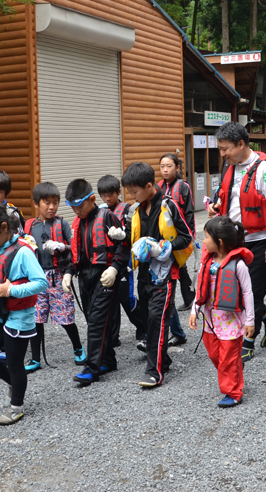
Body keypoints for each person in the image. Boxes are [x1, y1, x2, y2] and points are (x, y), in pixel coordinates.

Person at [207, 122, 266, 362]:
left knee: (251, 293)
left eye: (225, 149)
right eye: (220, 149)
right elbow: (230, 198)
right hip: (235, 241)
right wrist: (216, 208)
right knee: (237, 291)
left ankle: (248, 341)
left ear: (241, 144)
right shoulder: (230, 166)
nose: (222, 154)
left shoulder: (264, 170)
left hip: (261, 240)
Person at [0, 203, 47, 425]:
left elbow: (40, 283)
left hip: (18, 316)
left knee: (15, 363)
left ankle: (17, 406)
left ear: (4, 227)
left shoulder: (23, 252)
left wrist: (11, 290)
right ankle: (14, 383)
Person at [123, 162, 195, 387]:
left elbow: (187, 237)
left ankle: (154, 371)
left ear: (148, 186)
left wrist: (163, 247)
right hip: (143, 274)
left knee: (157, 320)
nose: (132, 196)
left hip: (164, 276)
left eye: (135, 191)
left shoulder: (168, 205)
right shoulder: (136, 209)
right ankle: (163, 358)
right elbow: (131, 237)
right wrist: (121, 236)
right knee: (147, 319)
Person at [64, 179, 128, 385]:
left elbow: (123, 244)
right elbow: (76, 254)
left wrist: (115, 268)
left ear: (92, 199)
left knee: (97, 323)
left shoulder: (107, 216)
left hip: (105, 276)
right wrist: (68, 273)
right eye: (73, 207)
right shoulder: (77, 222)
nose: (77, 211)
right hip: (85, 278)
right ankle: (108, 360)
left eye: (80, 206)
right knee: (94, 319)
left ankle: (91, 368)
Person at [189, 217, 254, 408]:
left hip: (231, 322)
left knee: (227, 358)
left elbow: (247, 292)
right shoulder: (206, 263)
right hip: (210, 321)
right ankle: (234, 371)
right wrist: (194, 310)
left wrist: (250, 320)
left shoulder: (238, 265)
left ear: (220, 243)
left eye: (207, 237)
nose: (204, 241)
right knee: (214, 355)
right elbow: (200, 289)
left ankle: (233, 392)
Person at [23, 182, 86, 372]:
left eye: (55, 203)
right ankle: (35, 358)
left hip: (58, 277)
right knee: (36, 319)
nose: (52, 207)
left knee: (66, 316)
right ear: (36, 204)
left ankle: (78, 348)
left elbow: (75, 248)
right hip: (36, 277)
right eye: (47, 203)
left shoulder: (62, 223)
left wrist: (61, 247)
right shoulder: (29, 226)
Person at [96, 174, 147, 349]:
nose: (107, 198)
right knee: (110, 302)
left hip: (124, 262)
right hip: (107, 263)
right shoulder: (100, 211)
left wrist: (123, 235)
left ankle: (143, 327)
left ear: (118, 192)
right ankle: (113, 335)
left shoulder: (128, 210)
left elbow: (135, 236)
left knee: (128, 300)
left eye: (110, 194)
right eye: (104, 195)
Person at [158, 153, 196, 314]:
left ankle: (187, 299)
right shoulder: (159, 186)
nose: (165, 170)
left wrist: (189, 236)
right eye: (162, 167)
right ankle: (190, 298)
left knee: (180, 266)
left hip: (180, 235)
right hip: (164, 235)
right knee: (179, 267)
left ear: (177, 167)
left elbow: (189, 213)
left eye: (169, 166)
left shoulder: (183, 186)